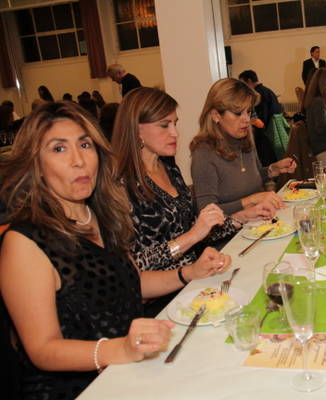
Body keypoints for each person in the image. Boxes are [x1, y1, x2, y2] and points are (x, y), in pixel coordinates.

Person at [0, 101, 231, 399]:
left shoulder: (101, 216)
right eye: (59, 149)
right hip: (77, 389)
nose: (78, 160)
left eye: (85, 145)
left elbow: (131, 281)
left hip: (129, 370)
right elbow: (43, 350)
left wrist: (188, 273)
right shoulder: (25, 242)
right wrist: (121, 349)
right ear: (36, 166)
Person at [112, 87, 265, 316]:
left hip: (195, 285)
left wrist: (240, 218)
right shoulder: (121, 185)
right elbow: (135, 266)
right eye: (164, 125)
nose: (175, 133)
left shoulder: (168, 168)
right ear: (136, 129)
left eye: (175, 124)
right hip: (161, 303)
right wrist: (191, 239)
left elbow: (195, 229)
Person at [190, 78, 296, 215]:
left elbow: (249, 179)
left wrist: (272, 170)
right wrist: (250, 201)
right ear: (216, 115)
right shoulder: (204, 153)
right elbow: (207, 213)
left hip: (259, 221)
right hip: (232, 228)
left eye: (249, 111)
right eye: (238, 113)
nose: (246, 119)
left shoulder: (245, 140)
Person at [238, 70, 282, 165]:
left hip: (264, 137)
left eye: (242, 83)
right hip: (274, 135)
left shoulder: (257, 94)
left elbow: (261, 121)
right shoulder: (268, 91)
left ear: (249, 81)